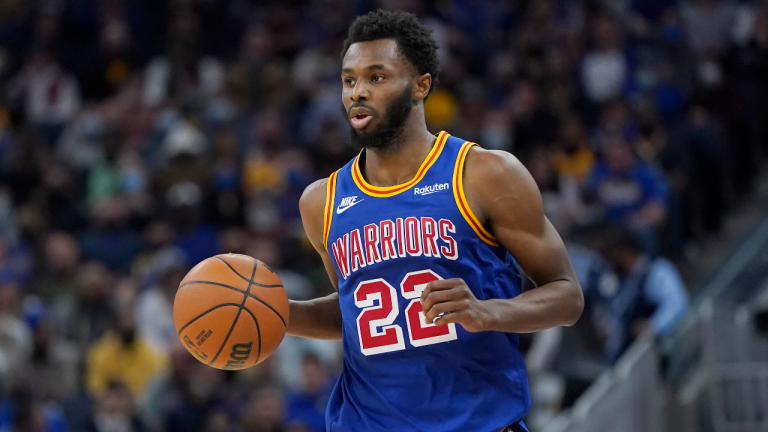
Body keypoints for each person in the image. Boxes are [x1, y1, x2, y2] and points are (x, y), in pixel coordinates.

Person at [286, 10, 584, 432]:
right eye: (349, 80)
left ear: (420, 86)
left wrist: (488, 312)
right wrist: (278, 315)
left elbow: (568, 297)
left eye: (377, 77)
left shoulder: (484, 174)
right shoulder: (321, 202)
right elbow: (360, 311)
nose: (357, 92)